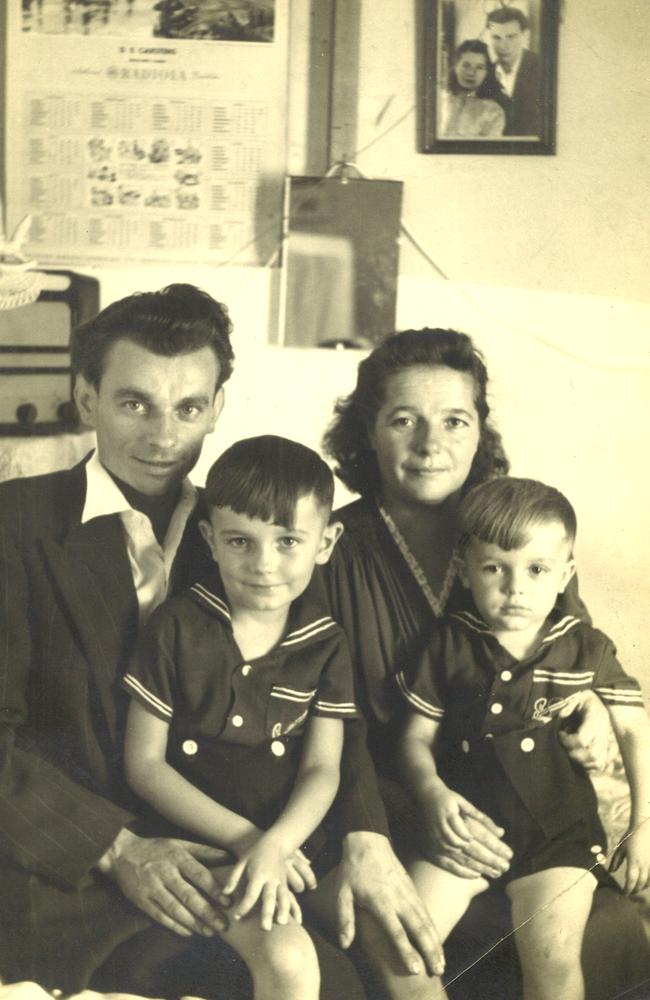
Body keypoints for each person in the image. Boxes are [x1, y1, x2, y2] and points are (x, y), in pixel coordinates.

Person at [0, 286, 442, 999]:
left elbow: (324, 696)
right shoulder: (13, 527)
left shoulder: (253, 530)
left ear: (218, 408)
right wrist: (118, 849)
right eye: (133, 403)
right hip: (76, 862)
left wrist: (368, 837)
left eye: (189, 408)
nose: (162, 436)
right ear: (85, 398)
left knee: (384, 955)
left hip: (235, 842)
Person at [321, 328, 650, 997]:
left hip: (526, 811)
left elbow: (577, 665)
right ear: (368, 432)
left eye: (454, 420)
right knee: (395, 943)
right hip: (385, 808)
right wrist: (409, 819)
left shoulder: (524, 539)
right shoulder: (333, 549)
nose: (429, 444)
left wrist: (584, 711)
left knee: (598, 937)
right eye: (403, 419)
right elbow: (323, 720)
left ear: (480, 433)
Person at [122, 434, 443, 999]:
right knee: (289, 956)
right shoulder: (175, 628)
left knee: (403, 946)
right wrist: (251, 842)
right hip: (207, 849)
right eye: (240, 541)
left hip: (296, 844)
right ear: (210, 540)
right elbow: (144, 766)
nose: (263, 565)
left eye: (288, 541)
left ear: (326, 542)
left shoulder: (325, 642)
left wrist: (278, 845)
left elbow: (325, 768)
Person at [398, 477, 650, 1000]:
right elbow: (414, 740)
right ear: (467, 572)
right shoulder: (450, 643)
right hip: (468, 834)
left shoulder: (582, 647)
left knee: (553, 958)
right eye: (495, 569)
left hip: (554, 839)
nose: (515, 589)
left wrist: (643, 826)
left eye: (536, 570)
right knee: (402, 948)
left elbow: (632, 727)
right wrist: (431, 792)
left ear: (565, 576)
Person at [486, 5, 541, 137]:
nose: (504, 45)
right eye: (496, 38)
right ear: (489, 38)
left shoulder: (543, 68)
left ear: (524, 35)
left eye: (511, 37)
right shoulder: (485, 74)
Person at [440, 40, 505, 139]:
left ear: (487, 73)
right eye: (466, 65)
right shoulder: (439, 101)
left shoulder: (493, 111)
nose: (471, 73)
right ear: (456, 67)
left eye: (479, 67)